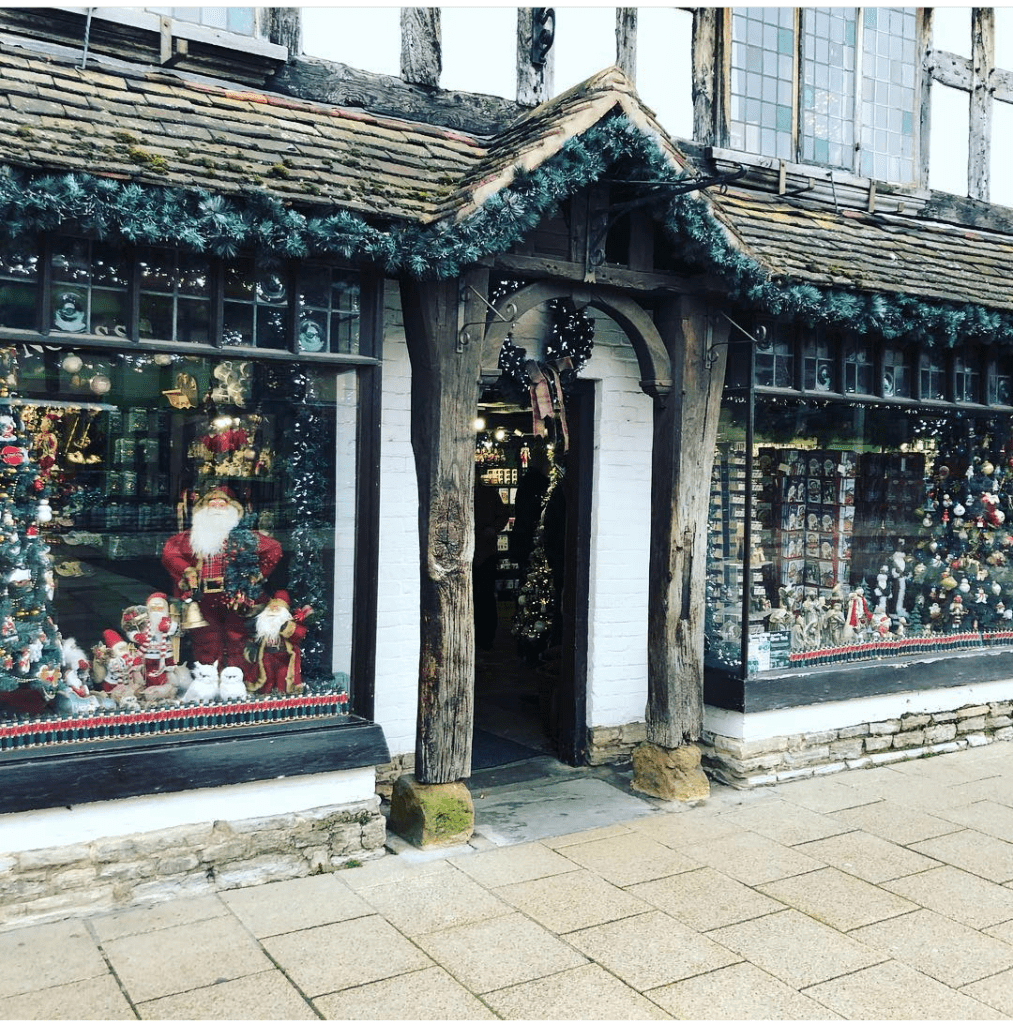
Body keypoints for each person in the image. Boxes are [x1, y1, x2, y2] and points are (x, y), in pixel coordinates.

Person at [161, 487, 281, 680]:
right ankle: (208, 681)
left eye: (222, 504)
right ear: (203, 509)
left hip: (234, 596)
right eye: (212, 504)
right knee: (206, 639)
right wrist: (187, 571)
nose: (217, 508)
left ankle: (237, 680)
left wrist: (256, 575)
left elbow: (274, 549)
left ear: (232, 509)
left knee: (238, 638)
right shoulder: (191, 537)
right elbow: (170, 553)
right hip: (203, 597)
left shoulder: (244, 537)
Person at [473, 477, 510, 650]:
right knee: (481, 596)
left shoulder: (488, 493)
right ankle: (481, 636)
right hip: (477, 551)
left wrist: (493, 529)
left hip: (485, 552)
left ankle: (485, 636)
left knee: (485, 596)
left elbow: (503, 516)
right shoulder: (487, 493)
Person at [510, 446, 551, 576]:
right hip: (529, 536)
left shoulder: (527, 480)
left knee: (526, 574)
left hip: (523, 536)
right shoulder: (537, 482)